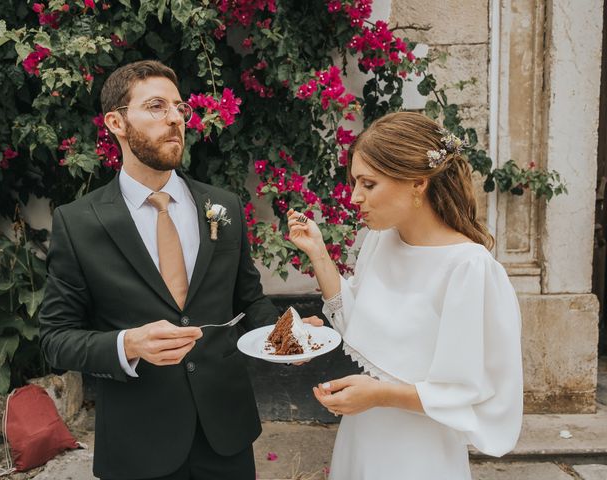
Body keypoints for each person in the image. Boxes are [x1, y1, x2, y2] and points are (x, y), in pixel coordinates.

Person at [39, 60, 279, 480]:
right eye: (155, 106)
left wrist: (286, 335)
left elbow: (249, 299)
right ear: (115, 121)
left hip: (226, 433)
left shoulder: (222, 206)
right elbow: (56, 338)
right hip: (138, 441)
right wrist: (127, 344)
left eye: (180, 107)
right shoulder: (78, 222)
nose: (174, 118)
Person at [287, 111, 523, 479]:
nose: (354, 197)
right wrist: (318, 252)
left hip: (419, 452)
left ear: (418, 183)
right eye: (354, 183)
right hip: (363, 434)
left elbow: (469, 390)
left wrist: (380, 395)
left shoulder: (469, 268)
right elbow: (354, 320)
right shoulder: (381, 240)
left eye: (369, 184)